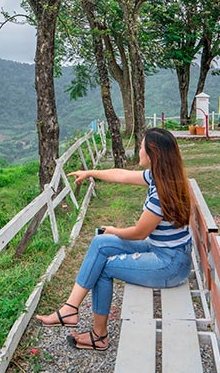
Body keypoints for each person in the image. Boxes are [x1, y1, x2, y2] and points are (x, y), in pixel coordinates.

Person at [34, 127, 193, 351]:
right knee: (101, 243)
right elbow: (121, 175)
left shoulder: (160, 192)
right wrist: (90, 172)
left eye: (141, 147)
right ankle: (70, 308)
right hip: (165, 251)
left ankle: (99, 336)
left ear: (152, 154)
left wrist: (114, 230)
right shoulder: (161, 177)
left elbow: (139, 233)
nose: (138, 151)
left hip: (170, 265)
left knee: (105, 267)